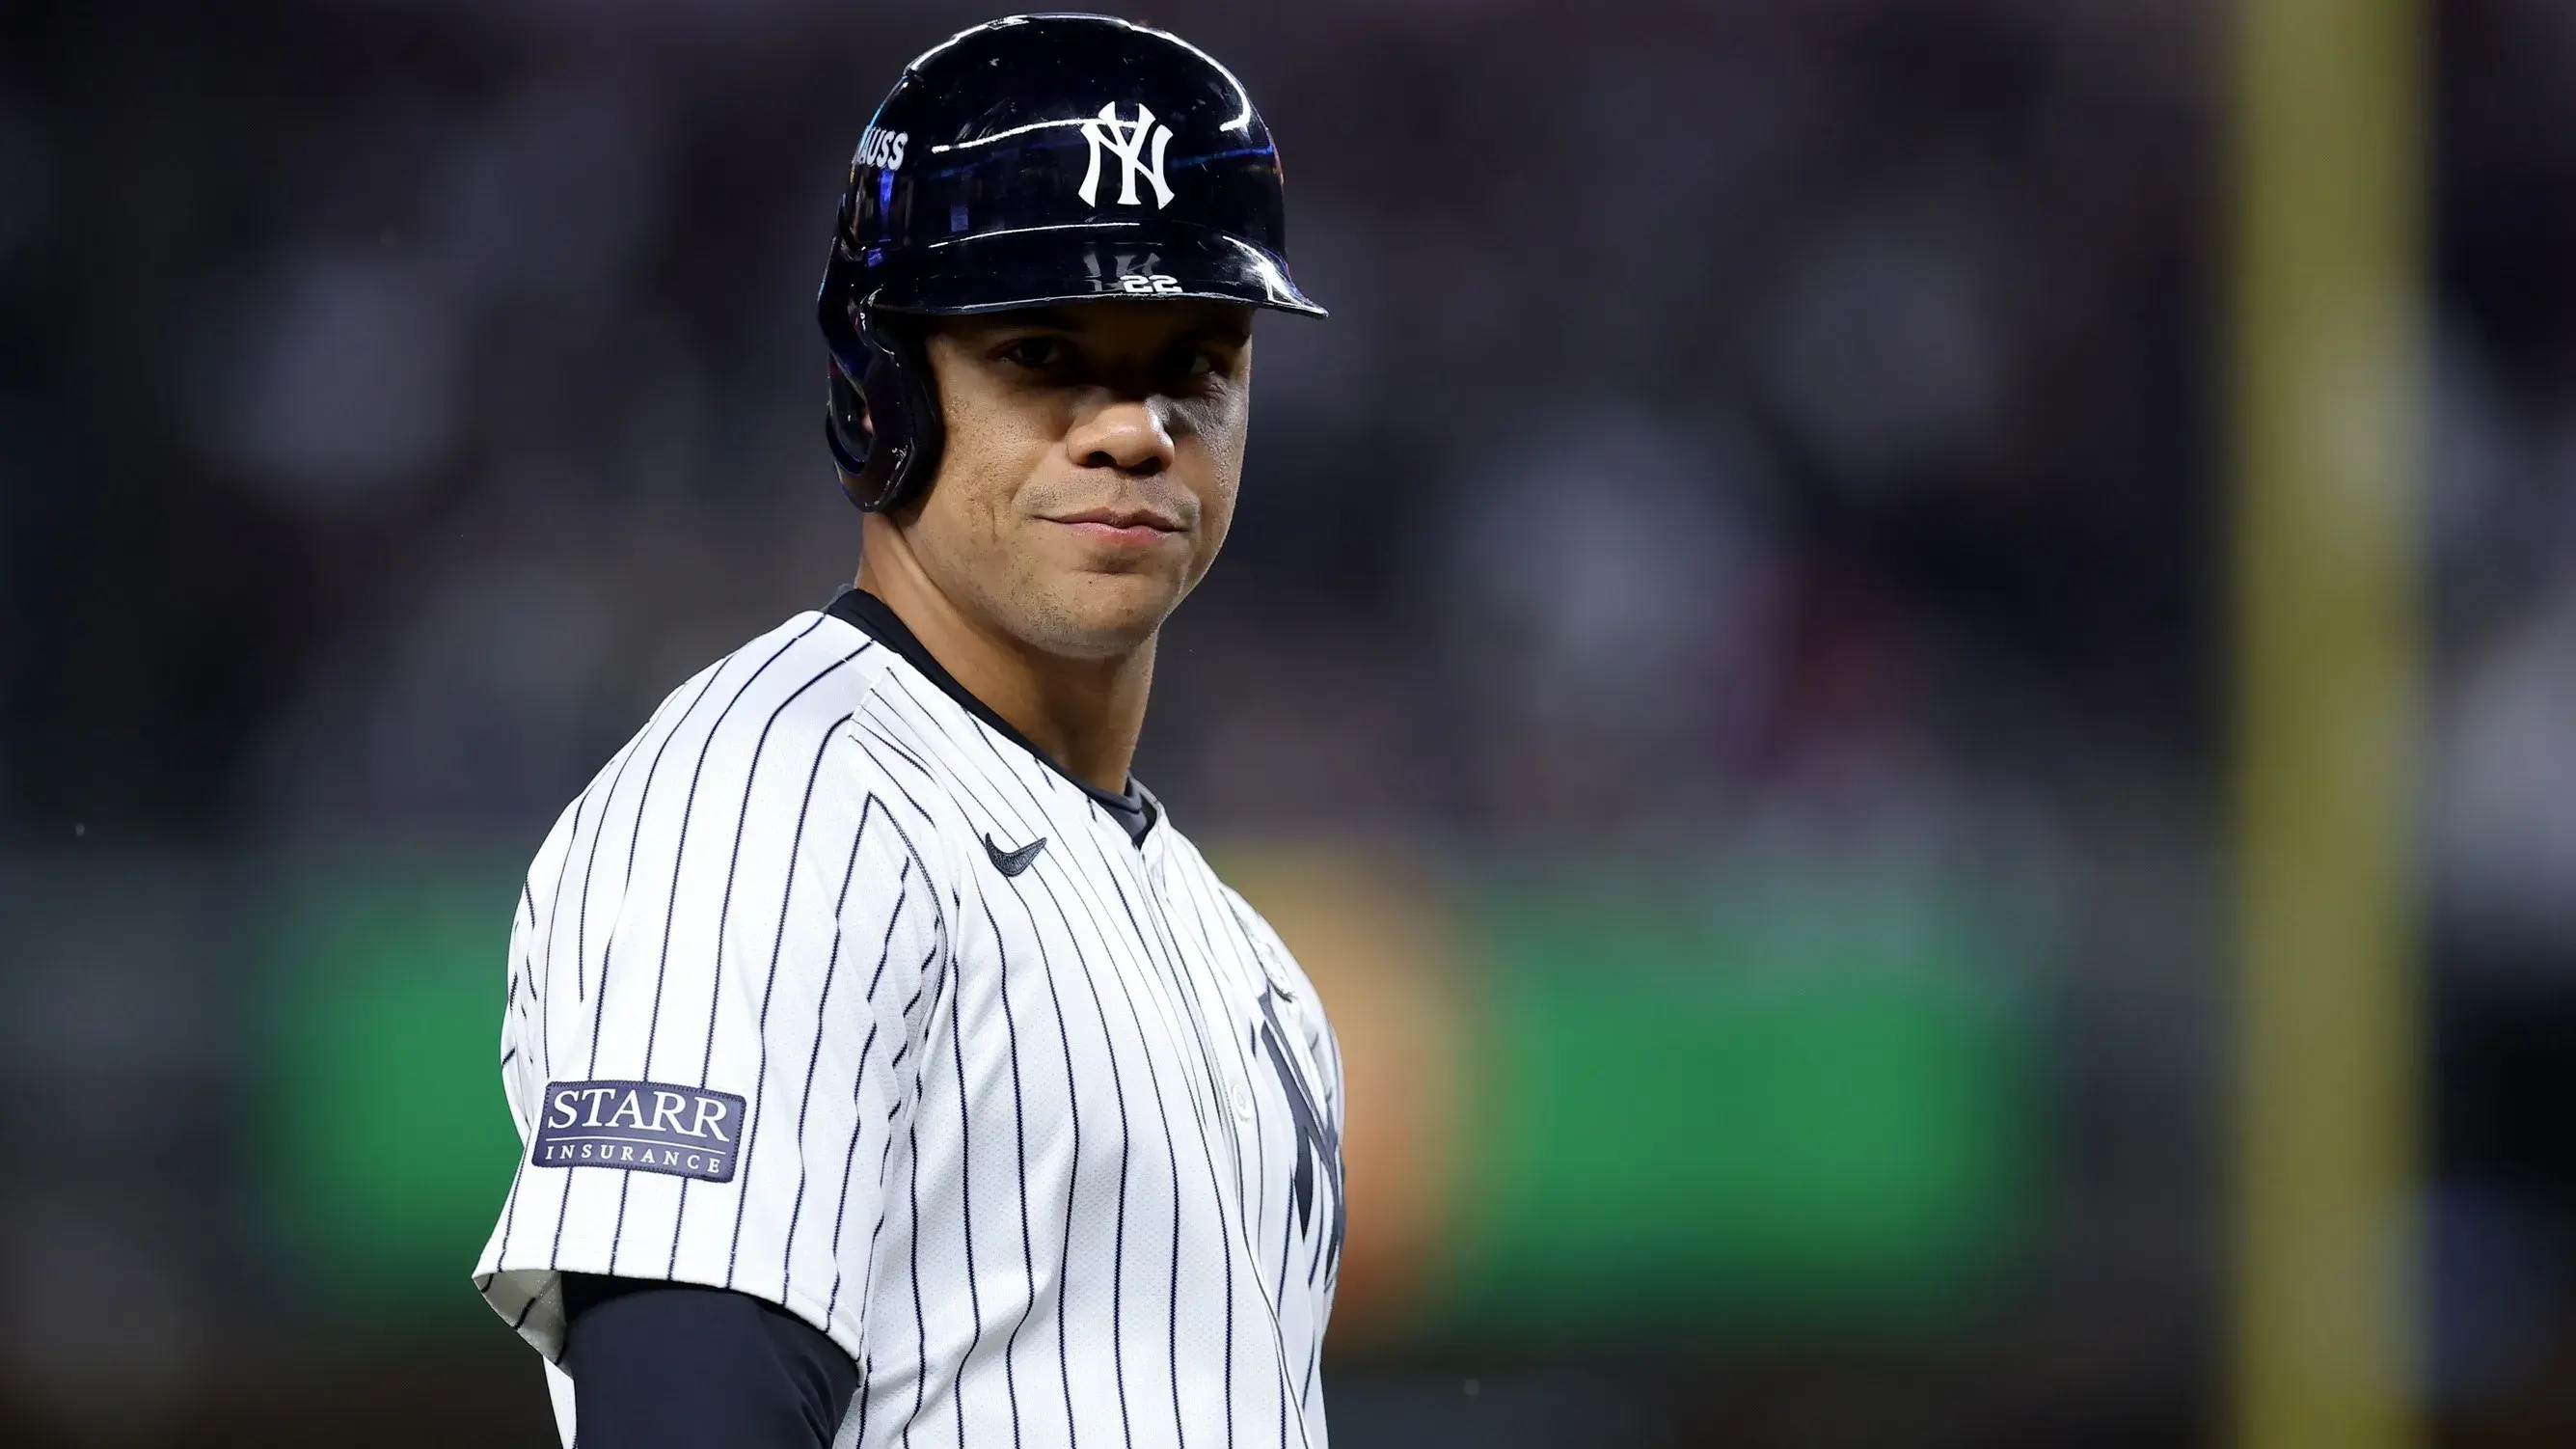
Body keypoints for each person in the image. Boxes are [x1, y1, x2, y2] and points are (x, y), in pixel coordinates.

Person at [471, 14, 1346, 1448]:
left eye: (1194, 360)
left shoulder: (1241, 959)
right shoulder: (768, 807)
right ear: (880, 386)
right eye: (1045, 352)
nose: (1135, 427)